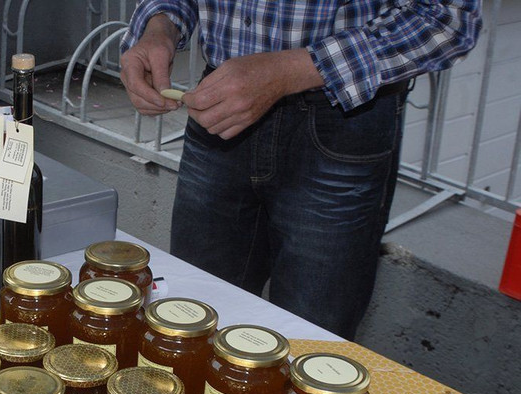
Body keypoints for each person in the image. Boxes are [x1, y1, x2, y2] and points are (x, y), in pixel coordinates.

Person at [120, 0, 482, 339]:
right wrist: (160, 26)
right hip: (219, 109)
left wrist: (288, 71)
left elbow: (447, 20)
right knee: (188, 322)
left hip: (342, 121)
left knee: (312, 342)